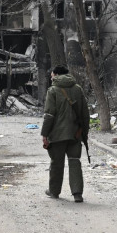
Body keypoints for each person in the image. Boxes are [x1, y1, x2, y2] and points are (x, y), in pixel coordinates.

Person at [40, 65, 90, 202]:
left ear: (56, 74)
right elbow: (85, 113)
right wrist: (84, 132)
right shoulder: (78, 89)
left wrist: (44, 134)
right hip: (75, 133)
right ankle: (77, 193)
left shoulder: (53, 90)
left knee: (57, 163)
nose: (51, 77)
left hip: (57, 134)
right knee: (75, 162)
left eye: (52, 75)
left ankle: (54, 191)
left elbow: (49, 115)